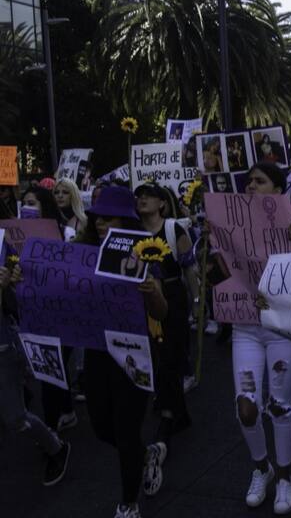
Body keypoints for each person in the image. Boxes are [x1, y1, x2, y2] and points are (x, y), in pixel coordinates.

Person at [75, 185, 169, 518]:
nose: (101, 224)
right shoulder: (80, 251)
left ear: (126, 222)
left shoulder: (145, 253)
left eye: (109, 218)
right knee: (101, 426)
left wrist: (150, 292)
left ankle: (128, 504)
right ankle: (147, 455)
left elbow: (161, 312)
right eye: (97, 218)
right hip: (97, 351)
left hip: (133, 352)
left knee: (127, 431)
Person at [238, 162, 291, 514]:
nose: (251, 186)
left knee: (279, 404)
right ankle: (260, 467)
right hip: (245, 328)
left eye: (259, 181)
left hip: (283, 328)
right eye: (248, 181)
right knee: (246, 405)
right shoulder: (229, 223)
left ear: (277, 190)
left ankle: (284, 476)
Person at [134, 182, 197, 469]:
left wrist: (197, 303)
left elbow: (189, 268)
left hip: (172, 297)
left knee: (170, 354)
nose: (142, 199)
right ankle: (177, 411)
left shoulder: (174, 230)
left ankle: (169, 417)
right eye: (139, 196)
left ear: (162, 203)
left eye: (149, 195)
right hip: (142, 299)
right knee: (153, 355)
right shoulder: (130, 232)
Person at [0, 263, 71, 487]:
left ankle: (55, 447)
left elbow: (18, 304)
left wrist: (5, 288)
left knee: (16, 419)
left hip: (4, 351)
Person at [20, 186, 79, 432]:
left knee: (53, 366)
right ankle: (65, 411)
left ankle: (51, 427)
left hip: (62, 310)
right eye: (24, 203)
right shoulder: (14, 236)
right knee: (48, 367)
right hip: (34, 310)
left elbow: (75, 272)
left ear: (45, 205)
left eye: (32, 203)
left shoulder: (66, 233)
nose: (27, 208)